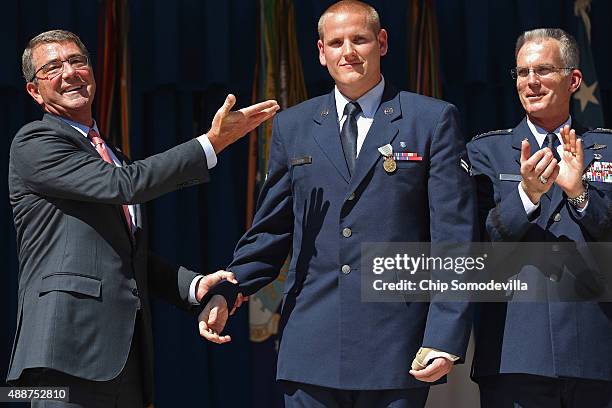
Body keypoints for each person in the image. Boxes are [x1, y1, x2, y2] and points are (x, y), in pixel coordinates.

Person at [199, 1, 476, 406]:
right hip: (312, 345)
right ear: (320, 52)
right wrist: (228, 290)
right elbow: (273, 229)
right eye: (336, 42)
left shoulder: (431, 120)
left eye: (359, 39)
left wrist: (443, 336)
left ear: (381, 43)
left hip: (397, 346)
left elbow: (454, 240)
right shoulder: (294, 126)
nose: (348, 51)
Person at [7, 29, 278, 407]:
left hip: (124, 361)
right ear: (35, 91)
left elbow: (128, 257)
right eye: (52, 67)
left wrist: (193, 286)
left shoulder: (112, 154)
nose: (69, 72)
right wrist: (210, 144)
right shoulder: (35, 142)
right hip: (63, 354)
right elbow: (126, 185)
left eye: (77, 61)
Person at [467, 28, 612, 407]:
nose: (531, 82)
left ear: (574, 80)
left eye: (544, 70)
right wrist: (527, 196)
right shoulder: (485, 152)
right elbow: (476, 246)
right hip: (514, 352)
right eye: (522, 72)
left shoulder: (607, 148)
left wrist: (579, 194)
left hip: (597, 351)